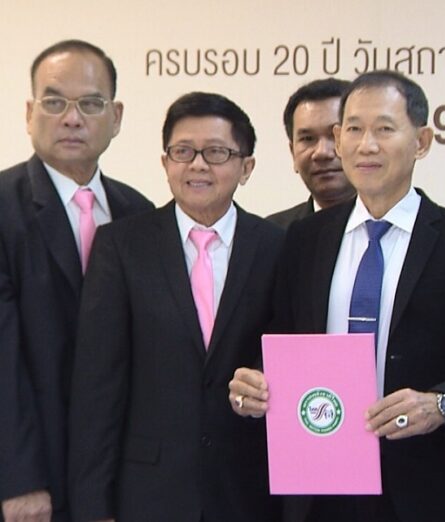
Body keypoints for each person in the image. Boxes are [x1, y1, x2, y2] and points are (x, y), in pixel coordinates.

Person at [230, 70, 445, 522]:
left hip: (425, 484)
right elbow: (280, 342)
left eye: (384, 129)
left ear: (421, 141)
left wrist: (440, 405)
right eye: (354, 129)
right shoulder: (305, 239)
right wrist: (255, 383)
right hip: (319, 482)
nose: (366, 145)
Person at [69, 92, 282, 522]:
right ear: (166, 163)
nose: (198, 165)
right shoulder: (121, 247)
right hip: (148, 491)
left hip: (248, 489)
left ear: (247, 167)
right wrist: (93, 505)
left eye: (217, 152)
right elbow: (97, 384)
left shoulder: (278, 246)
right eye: (183, 152)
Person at [0, 39, 153, 522]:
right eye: (53, 102)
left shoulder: (139, 213)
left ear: (117, 115)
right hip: (31, 482)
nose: (72, 118)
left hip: (117, 481)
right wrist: (20, 480)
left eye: (90, 103)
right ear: (29, 113)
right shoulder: (3, 207)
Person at [266, 78, 355, 228]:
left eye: (335, 136)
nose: (322, 152)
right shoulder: (275, 235)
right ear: (293, 152)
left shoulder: (398, 228)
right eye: (308, 138)